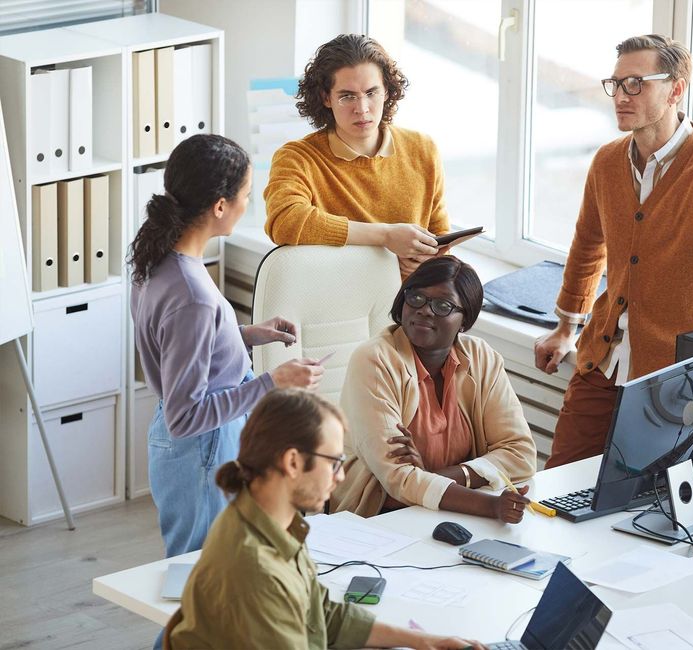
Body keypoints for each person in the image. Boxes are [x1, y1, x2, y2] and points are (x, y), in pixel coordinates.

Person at [533, 34, 693, 468]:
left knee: (635, 509)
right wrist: (567, 326)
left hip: (669, 380)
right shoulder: (606, 162)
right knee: (555, 487)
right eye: (616, 84)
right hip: (602, 361)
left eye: (636, 84)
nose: (621, 96)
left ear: (676, 89)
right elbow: (587, 246)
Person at [164, 389, 483, 650]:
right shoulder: (255, 571)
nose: (341, 476)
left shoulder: (274, 523)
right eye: (333, 462)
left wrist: (426, 642)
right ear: (292, 462)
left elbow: (323, 616)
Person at [129, 134, 324, 557]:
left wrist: (248, 334)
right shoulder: (192, 294)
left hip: (196, 445)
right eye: (246, 196)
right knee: (202, 577)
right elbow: (188, 417)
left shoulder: (155, 260)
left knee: (210, 576)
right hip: (204, 447)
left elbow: (181, 348)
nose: (247, 206)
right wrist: (274, 380)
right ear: (220, 206)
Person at [331, 257, 537, 521]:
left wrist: (442, 477)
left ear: (465, 320)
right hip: (380, 515)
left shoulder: (482, 358)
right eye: (416, 298)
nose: (425, 310)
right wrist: (491, 506)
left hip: (452, 510)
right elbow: (398, 479)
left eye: (443, 305)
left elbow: (520, 453)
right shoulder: (374, 359)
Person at [265, 33, 449, 277]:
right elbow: (286, 222)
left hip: (410, 306)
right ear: (326, 98)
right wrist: (385, 236)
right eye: (347, 96)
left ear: (387, 90)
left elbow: (441, 235)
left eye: (372, 93)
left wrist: (428, 261)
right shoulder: (297, 158)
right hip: (336, 303)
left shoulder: (422, 149)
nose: (362, 109)